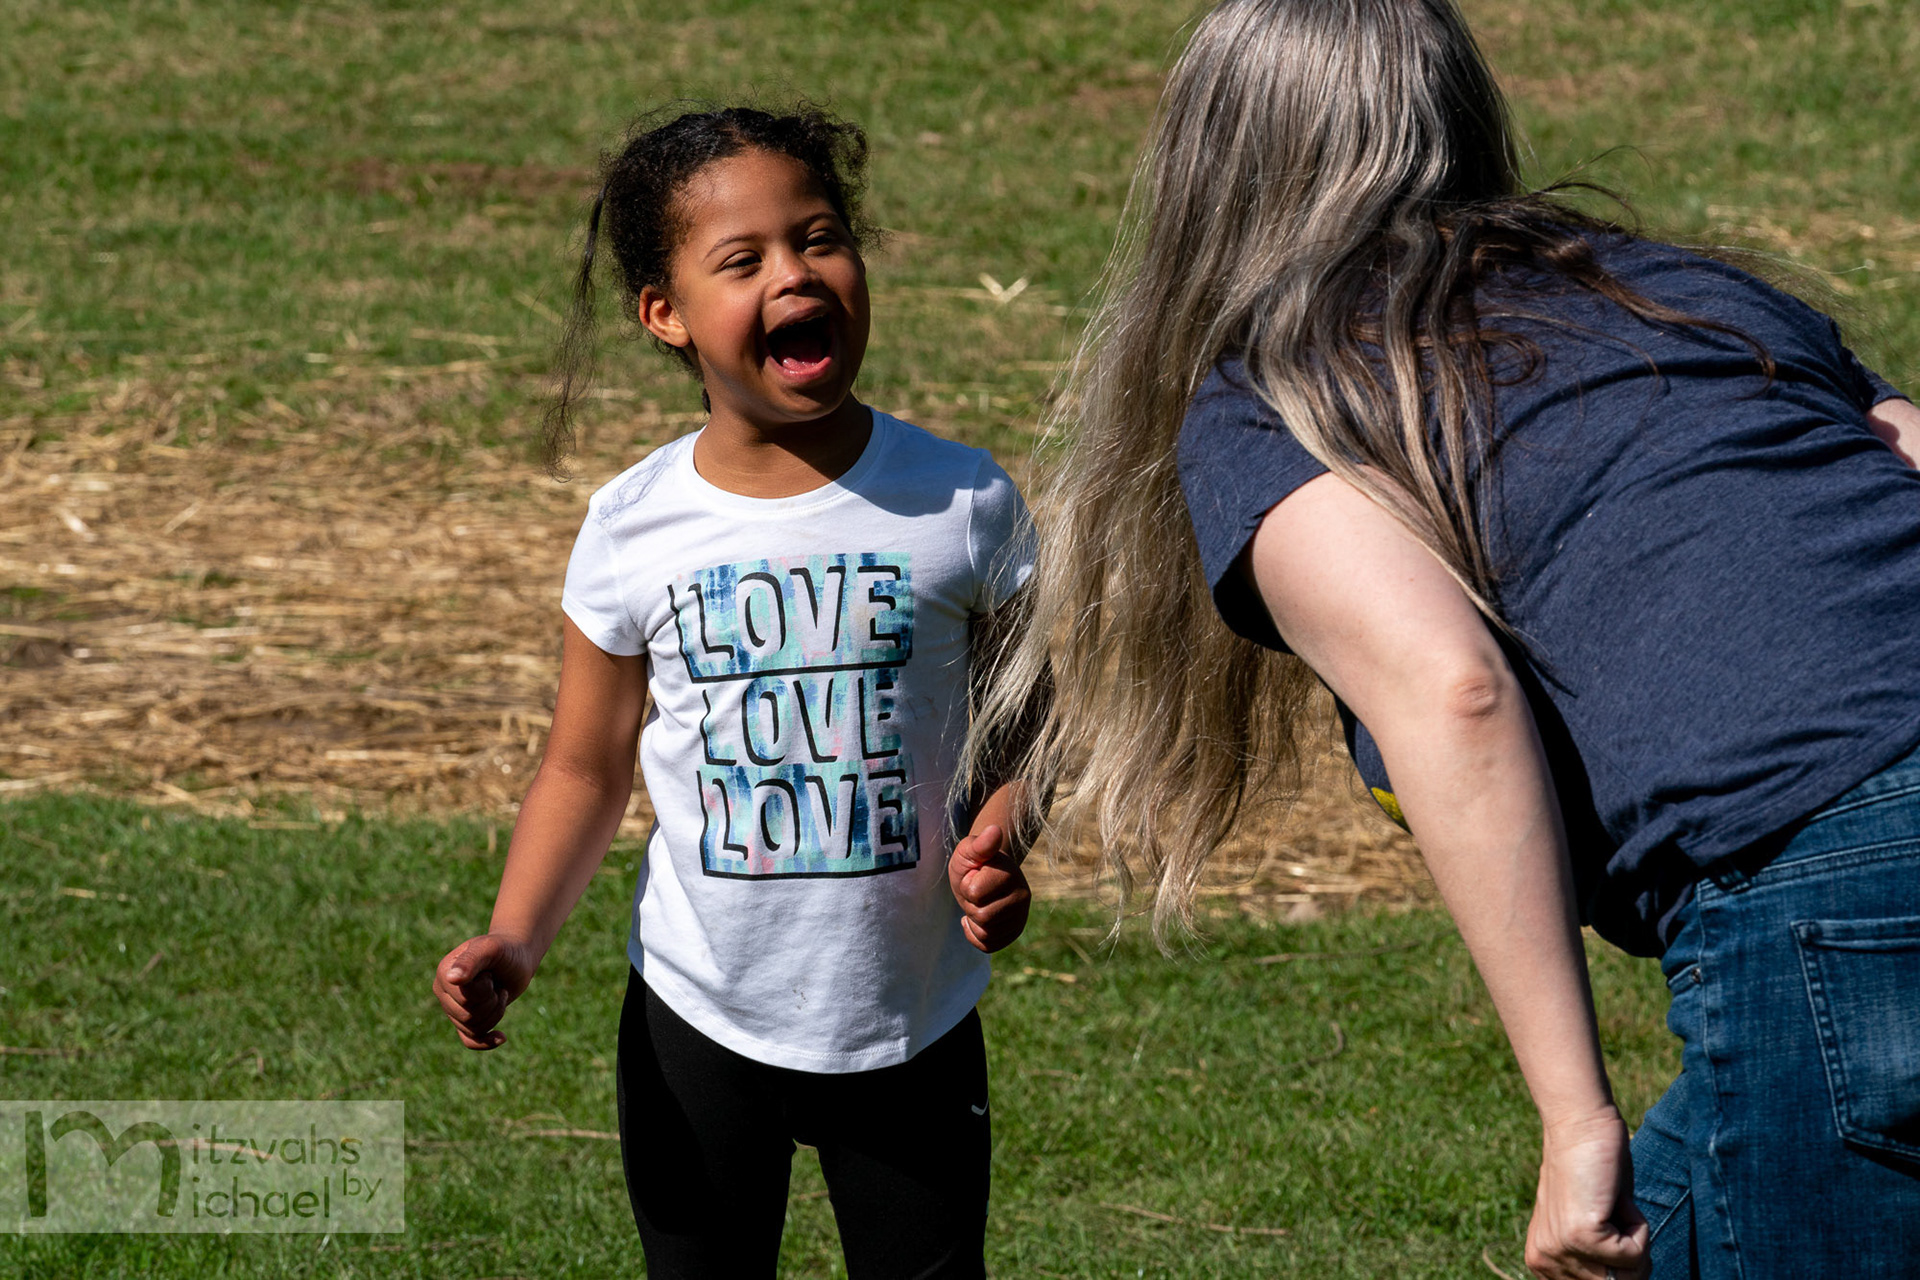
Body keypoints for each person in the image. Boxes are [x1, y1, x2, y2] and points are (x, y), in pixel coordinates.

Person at [965, 2, 1920, 1277]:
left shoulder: (1285, 395)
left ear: (1210, 167)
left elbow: (1451, 689)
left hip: (1838, 898)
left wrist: (1575, 1120)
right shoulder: (1680, 288)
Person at [431, 104, 1038, 1279]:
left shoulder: (962, 500)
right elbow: (586, 762)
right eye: (743, 259)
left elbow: (1037, 716)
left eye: (820, 238)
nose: (796, 273)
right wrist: (514, 933)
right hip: (696, 1013)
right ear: (665, 314)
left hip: (909, 1012)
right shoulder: (632, 523)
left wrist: (1014, 825)